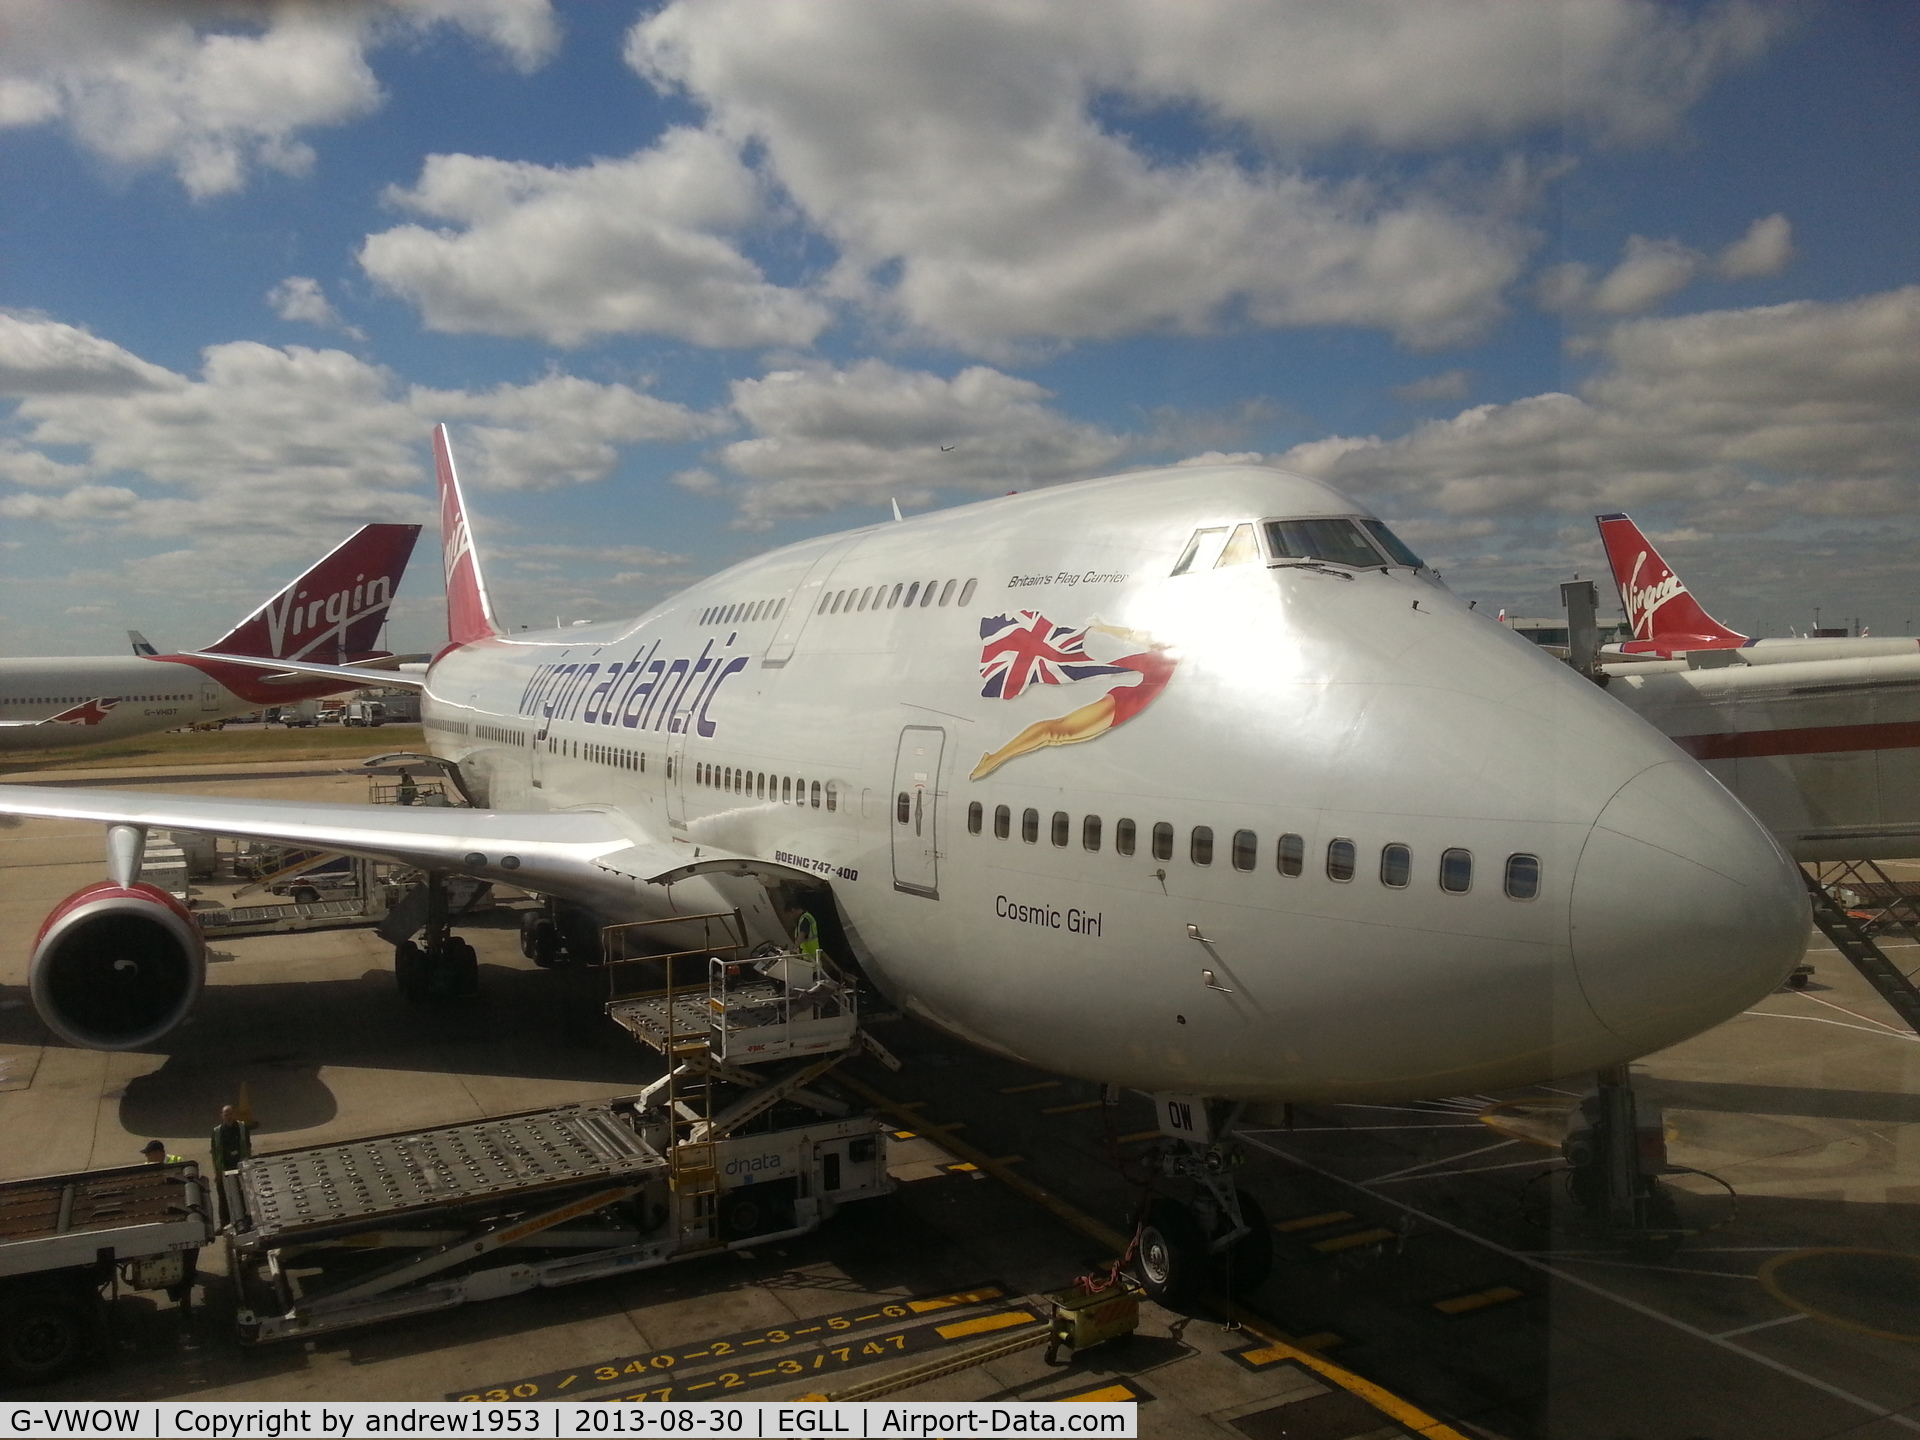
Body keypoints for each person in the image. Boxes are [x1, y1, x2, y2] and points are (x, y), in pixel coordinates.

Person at [209, 1105, 254, 1227]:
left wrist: (249, 1165)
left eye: (230, 1114)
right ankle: (225, 1223)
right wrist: (217, 1172)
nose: (228, 1117)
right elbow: (214, 1152)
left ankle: (247, 1218)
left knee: (245, 1193)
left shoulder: (242, 1127)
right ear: (222, 1116)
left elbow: (248, 1146)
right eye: (225, 1114)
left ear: (234, 1114)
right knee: (223, 1196)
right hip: (224, 1167)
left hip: (241, 1164)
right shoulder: (217, 1132)